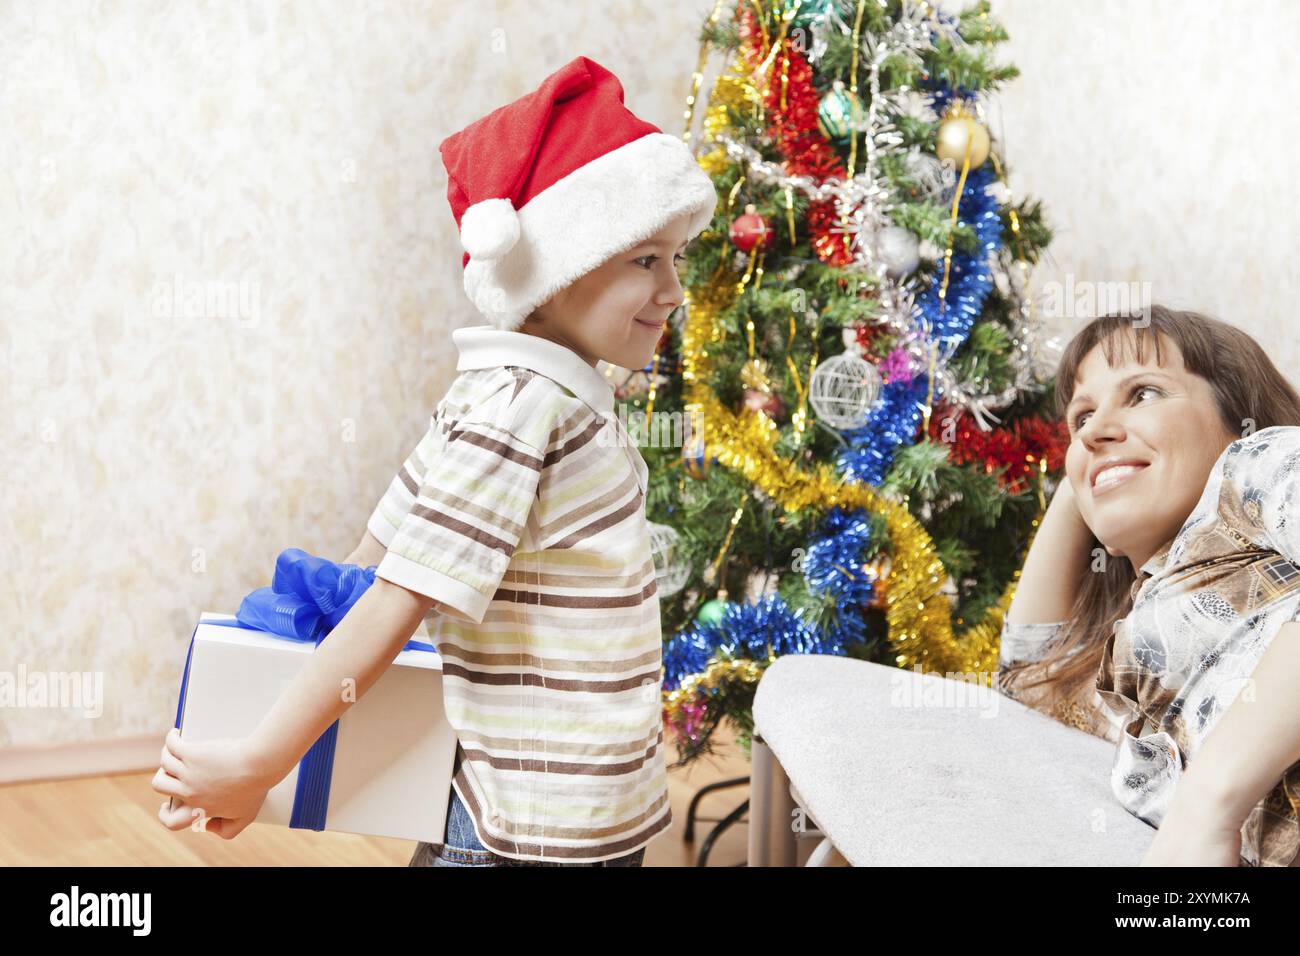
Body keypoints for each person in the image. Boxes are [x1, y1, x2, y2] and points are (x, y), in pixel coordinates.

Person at [152, 54, 718, 867]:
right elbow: (392, 596)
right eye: (643, 259)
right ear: (551, 273)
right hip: (536, 828)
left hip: (577, 810)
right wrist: (259, 761)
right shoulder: (525, 407)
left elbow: (375, 555)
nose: (673, 290)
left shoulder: (526, 396)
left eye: (676, 258)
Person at [995, 305, 1300, 866]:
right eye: (1080, 417)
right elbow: (1024, 683)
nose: (1093, 431)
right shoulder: (1132, 666)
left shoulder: (1256, 466)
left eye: (1144, 394)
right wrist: (1088, 472)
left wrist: (1210, 804)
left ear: (1240, 420)